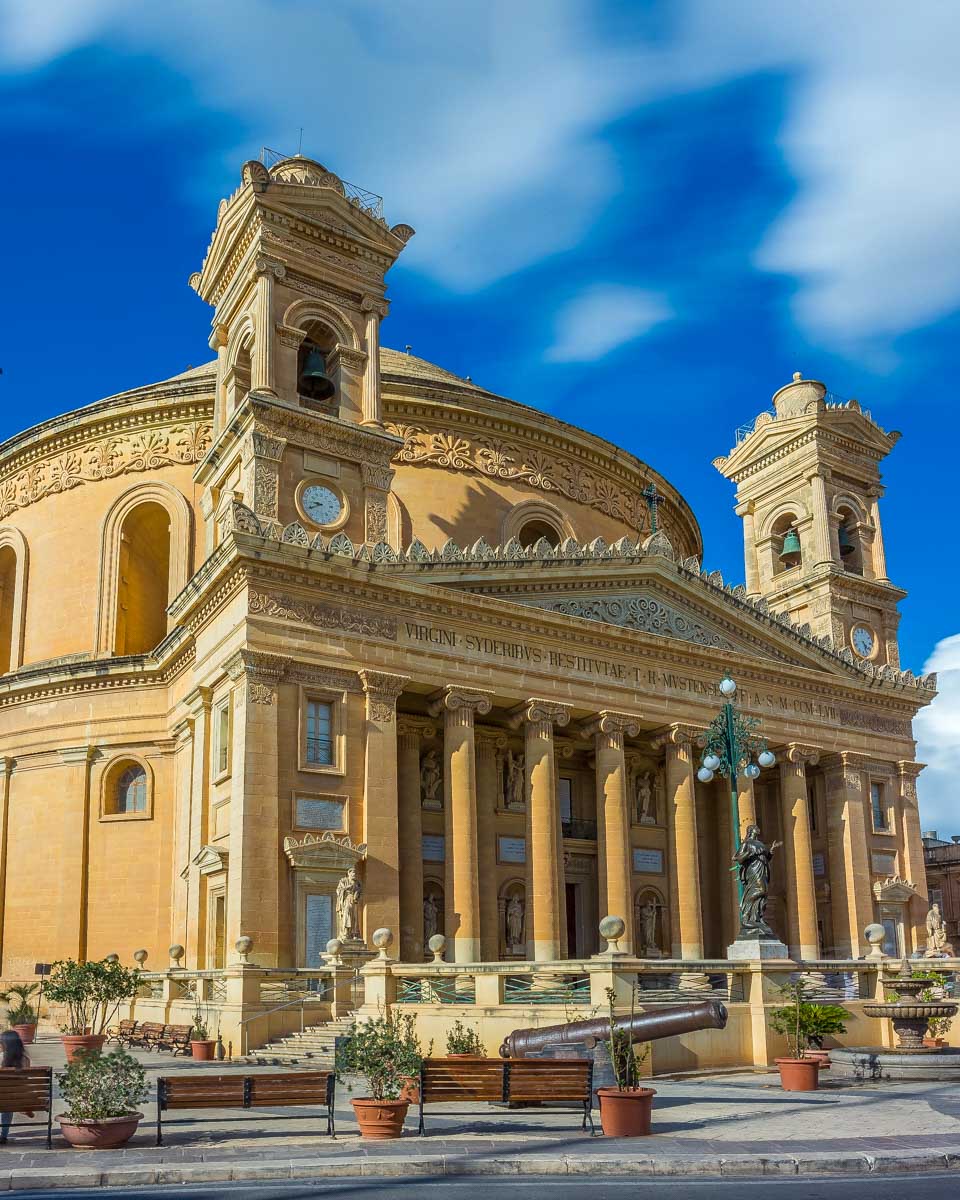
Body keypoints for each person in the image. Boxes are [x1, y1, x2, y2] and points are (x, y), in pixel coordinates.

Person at [733, 825, 782, 940]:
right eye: (755, 827)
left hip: (762, 870)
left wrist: (771, 850)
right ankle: (746, 916)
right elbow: (736, 858)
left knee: (764, 894)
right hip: (753, 870)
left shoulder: (760, 844)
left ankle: (756, 918)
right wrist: (750, 854)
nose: (757, 828)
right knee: (760, 890)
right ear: (750, 830)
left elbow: (766, 858)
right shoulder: (747, 843)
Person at [0, 1030, 31, 1144]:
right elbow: (25, 1082)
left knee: (4, 1099)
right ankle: (3, 1135)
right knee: (8, 1103)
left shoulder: (0, 1057)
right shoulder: (25, 1060)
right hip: (17, 1098)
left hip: (3, 1096)